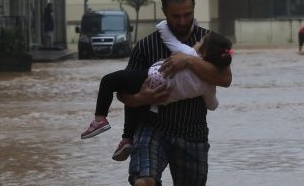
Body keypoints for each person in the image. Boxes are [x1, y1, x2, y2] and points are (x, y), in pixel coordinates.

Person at [115, 0, 232, 186]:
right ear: (164, 13)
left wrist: (189, 60)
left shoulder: (209, 40)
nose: (182, 22)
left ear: (194, 10)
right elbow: (125, 95)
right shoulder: (146, 46)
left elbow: (225, 78)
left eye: (187, 15)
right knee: (142, 183)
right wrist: (145, 98)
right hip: (152, 126)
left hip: (193, 131)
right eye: (175, 16)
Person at [81, 23, 232, 152]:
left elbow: (170, 40)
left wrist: (162, 25)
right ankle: (126, 140)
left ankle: (101, 120)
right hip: (165, 99)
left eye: (200, 42)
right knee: (136, 98)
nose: (197, 42)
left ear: (203, 51)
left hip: (152, 78)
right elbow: (212, 105)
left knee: (108, 81)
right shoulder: (209, 85)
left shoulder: (190, 54)